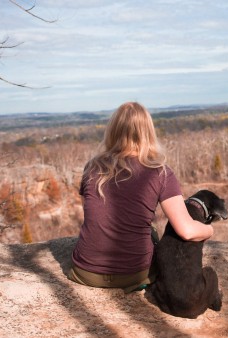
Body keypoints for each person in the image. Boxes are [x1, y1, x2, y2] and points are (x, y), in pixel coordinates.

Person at [68, 102, 214, 293]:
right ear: (148, 132)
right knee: (153, 234)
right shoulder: (159, 172)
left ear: (113, 130)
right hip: (135, 274)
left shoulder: (92, 167)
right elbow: (186, 231)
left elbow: (93, 217)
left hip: (85, 272)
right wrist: (209, 229)